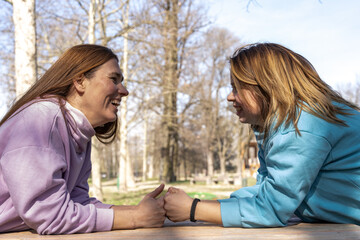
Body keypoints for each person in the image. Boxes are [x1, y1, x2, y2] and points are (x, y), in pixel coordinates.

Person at [164, 42, 360, 227]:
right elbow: (265, 191)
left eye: (237, 88)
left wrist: (192, 209)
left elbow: (271, 209)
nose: (230, 97)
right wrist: (200, 203)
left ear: (265, 87)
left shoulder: (301, 126)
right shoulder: (288, 123)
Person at [0, 44, 166, 234]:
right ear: (80, 81)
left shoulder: (78, 131)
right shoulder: (41, 120)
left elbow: (77, 202)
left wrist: (140, 211)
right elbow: (50, 216)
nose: (124, 91)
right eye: (114, 79)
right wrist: (135, 218)